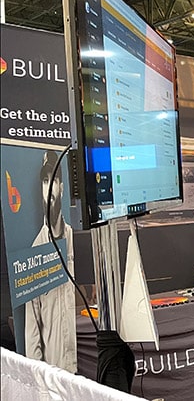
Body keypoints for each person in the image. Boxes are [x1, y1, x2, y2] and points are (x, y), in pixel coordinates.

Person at [25, 151, 77, 373]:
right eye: (44, 181)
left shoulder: (75, 238)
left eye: (53, 180)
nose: (48, 189)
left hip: (85, 360)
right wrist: (38, 376)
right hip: (57, 371)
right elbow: (32, 323)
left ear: (62, 187)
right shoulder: (36, 250)